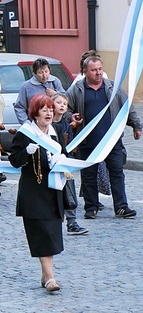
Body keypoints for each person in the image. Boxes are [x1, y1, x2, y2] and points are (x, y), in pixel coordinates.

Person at [65, 55, 142, 219]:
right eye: (94, 70)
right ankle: (91, 208)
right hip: (87, 141)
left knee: (117, 173)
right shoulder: (77, 90)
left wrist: (136, 126)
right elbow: (64, 109)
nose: (98, 73)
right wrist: (71, 117)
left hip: (111, 140)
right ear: (85, 72)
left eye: (100, 69)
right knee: (89, 176)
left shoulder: (112, 88)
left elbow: (127, 107)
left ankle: (121, 207)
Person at [9, 94, 68, 292]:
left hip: (52, 191)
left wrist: (63, 165)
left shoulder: (54, 132)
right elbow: (14, 160)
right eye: (45, 110)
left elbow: (64, 155)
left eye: (51, 109)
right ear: (35, 113)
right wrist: (26, 152)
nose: (49, 113)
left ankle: (45, 275)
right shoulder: (25, 134)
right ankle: (51, 278)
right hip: (33, 191)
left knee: (51, 233)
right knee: (41, 232)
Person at [51, 93, 88, 236]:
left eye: (64, 104)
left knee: (69, 193)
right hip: (51, 163)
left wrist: (68, 162)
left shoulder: (66, 125)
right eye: (58, 102)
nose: (62, 105)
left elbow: (70, 146)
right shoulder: (47, 125)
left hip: (64, 163)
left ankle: (72, 222)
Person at [14, 58, 65, 125]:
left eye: (46, 71)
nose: (44, 75)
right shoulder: (26, 86)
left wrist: (56, 94)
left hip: (55, 123)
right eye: (40, 73)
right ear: (34, 73)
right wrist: (26, 123)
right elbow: (19, 107)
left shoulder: (55, 81)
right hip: (35, 124)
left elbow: (65, 100)